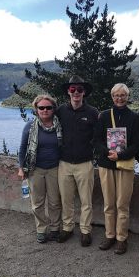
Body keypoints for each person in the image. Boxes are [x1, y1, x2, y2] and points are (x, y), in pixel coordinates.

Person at [94, 83, 139, 255]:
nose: (119, 98)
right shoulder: (104, 116)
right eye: (116, 95)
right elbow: (96, 140)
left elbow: (137, 144)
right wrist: (109, 153)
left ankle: (122, 238)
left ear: (127, 96)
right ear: (112, 97)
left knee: (122, 204)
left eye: (123, 95)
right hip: (106, 165)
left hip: (125, 166)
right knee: (109, 204)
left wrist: (120, 156)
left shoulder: (135, 118)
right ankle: (109, 235)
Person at [56, 75, 99, 246]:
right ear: (68, 91)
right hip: (64, 163)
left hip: (85, 164)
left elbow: (98, 137)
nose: (76, 92)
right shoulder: (60, 111)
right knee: (66, 199)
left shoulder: (92, 112)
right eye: (72, 89)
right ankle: (67, 228)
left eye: (79, 89)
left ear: (84, 92)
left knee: (86, 201)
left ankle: (85, 231)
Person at [18, 95, 62, 243]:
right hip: (35, 169)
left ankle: (55, 228)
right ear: (36, 109)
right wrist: (21, 167)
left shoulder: (60, 126)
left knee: (55, 202)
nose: (45, 110)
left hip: (55, 168)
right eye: (41, 107)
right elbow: (23, 148)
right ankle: (41, 229)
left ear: (53, 109)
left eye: (48, 107)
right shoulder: (30, 127)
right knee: (37, 203)